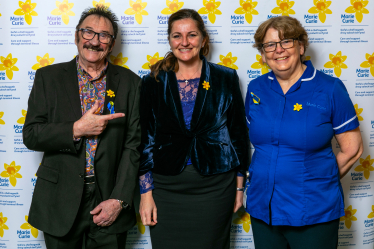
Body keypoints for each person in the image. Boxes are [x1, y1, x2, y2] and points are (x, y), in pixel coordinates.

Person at [23, 6, 141, 249]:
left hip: (108, 198)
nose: (94, 41)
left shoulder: (131, 83)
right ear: (77, 36)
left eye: (103, 35)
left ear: (112, 43)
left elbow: (133, 146)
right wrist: (76, 129)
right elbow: (31, 135)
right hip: (59, 200)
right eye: (88, 32)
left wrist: (119, 199)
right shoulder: (48, 77)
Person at [244, 16, 363, 249]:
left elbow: (353, 149)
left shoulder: (329, 88)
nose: (278, 50)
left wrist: (319, 180)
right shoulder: (256, 88)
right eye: (270, 45)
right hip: (262, 208)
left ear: (300, 47)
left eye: (286, 41)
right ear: (263, 53)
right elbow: (262, 140)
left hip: (314, 211)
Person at [138, 9, 249, 249]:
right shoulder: (153, 81)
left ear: (203, 39)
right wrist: (146, 193)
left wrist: (240, 186)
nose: (185, 42)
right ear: (169, 40)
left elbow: (238, 134)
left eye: (192, 35)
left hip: (216, 187)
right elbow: (144, 139)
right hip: (166, 187)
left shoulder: (225, 78)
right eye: (177, 36)